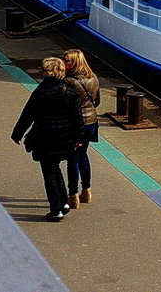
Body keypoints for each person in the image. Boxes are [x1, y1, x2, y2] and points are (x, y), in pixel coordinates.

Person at [11, 57, 83, 222]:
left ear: (49, 72)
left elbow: (28, 114)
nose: (41, 73)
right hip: (65, 137)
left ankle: (55, 209)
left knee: (49, 172)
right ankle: (63, 203)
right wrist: (78, 138)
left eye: (43, 70)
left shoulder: (41, 91)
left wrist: (17, 133)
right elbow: (77, 117)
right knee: (55, 168)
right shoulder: (70, 91)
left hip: (45, 137)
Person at [62, 49, 100, 209]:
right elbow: (96, 101)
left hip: (75, 124)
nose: (63, 63)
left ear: (75, 62)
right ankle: (87, 190)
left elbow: (65, 104)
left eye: (67, 60)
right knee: (83, 154)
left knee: (72, 159)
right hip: (91, 122)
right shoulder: (93, 78)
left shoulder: (69, 81)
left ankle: (73, 195)